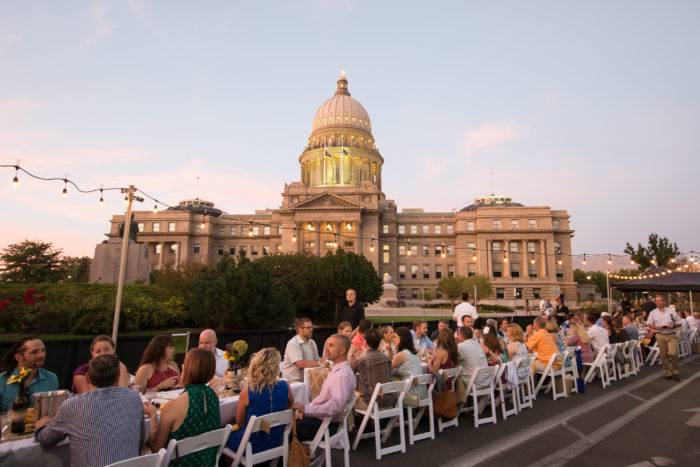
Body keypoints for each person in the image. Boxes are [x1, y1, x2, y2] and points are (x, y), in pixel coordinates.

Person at [36, 355, 144, 467]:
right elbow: (140, 441)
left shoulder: (73, 405)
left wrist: (41, 426)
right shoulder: (133, 397)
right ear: (117, 377)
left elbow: (47, 439)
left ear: (87, 378)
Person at [146, 348, 221, 466]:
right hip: (207, 462)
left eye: (184, 363)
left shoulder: (173, 407)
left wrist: (153, 416)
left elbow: (156, 450)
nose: (181, 365)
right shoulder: (214, 396)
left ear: (187, 369)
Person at [226, 348, 293, 455]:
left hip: (251, 444)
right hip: (277, 440)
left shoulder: (248, 391)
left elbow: (240, 423)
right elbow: (290, 407)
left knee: (226, 438)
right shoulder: (286, 386)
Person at [293, 334, 356, 441]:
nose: (326, 349)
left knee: (284, 430)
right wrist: (304, 410)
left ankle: (296, 457)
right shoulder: (339, 370)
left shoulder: (342, 375)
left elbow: (335, 406)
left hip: (326, 425)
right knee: (289, 422)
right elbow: (323, 401)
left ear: (341, 351)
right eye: (326, 345)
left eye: (331, 346)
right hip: (323, 421)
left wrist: (305, 409)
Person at [0, 337, 58, 411]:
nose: (41, 355)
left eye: (43, 350)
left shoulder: (51, 378)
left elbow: (53, 410)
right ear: (18, 357)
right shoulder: (2, 380)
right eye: (34, 352)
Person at [351, 329, 393, 408]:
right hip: (388, 401)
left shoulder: (364, 360)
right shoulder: (387, 359)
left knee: (346, 400)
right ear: (379, 342)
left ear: (366, 342)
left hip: (371, 404)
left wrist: (352, 354)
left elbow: (349, 371)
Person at [646, 295, 682, 381]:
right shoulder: (653, 312)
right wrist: (657, 328)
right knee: (664, 355)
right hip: (660, 334)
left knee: (673, 353)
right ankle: (668, 372)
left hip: (671, 334)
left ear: (664, 302)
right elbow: (649, 324)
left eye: (659, 301)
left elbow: (679, 322)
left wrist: (673, 325)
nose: (657, 302)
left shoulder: (671, 311)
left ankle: (676, 371)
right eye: (656, 301)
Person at [391, 327, 427, 402]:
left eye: (396, 337)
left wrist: (388, 351)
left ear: (402, 339)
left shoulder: (401, 354)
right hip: (423, 394)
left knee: (388, 391)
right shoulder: (414, 352)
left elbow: (387, 367)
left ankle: (394, 413)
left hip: (413, 397)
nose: (393, 339)